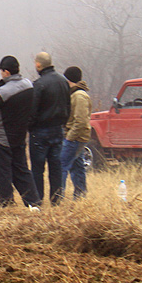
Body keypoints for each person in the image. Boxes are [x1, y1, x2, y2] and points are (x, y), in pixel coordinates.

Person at [0, 55, 41, 209]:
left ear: (7, 72)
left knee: (1, 172)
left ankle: (7, 203)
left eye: (1, 71)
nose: (1, 74)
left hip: (0, 137)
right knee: (22, 171)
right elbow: (11, 99)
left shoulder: (3, 92)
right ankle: (33, 203)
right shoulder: (28, 85)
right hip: (19, 136)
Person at [29, 52, 70, 206]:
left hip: (40, 131)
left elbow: (33, 111)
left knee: (37, 169)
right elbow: (68, 106)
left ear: (39, 64)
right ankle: (56, 200)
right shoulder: (63, 81)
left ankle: (37, 201)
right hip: (58, 130)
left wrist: (30, 127)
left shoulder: (39, 84)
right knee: (56, 167)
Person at [60, 66, 91, 199]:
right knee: (77, 166)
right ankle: (80, 195)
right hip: (77, 137)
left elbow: (81, 121)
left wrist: (69, 138)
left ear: (68, 80)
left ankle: (57, 197)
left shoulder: (79, 96)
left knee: (61, 165)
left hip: (75, 138)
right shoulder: (76, 94)